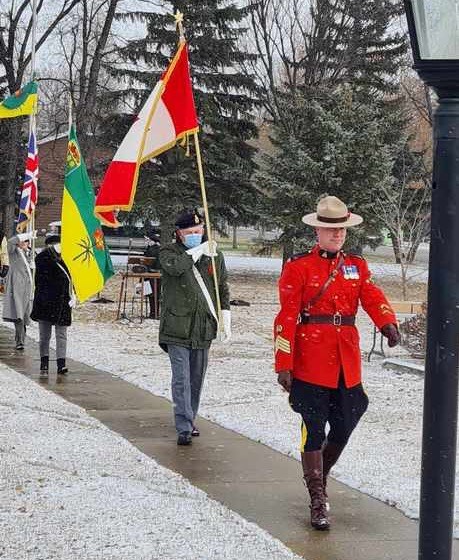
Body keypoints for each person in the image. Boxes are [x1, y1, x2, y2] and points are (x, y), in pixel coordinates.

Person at [274, 196, 400, 531]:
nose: (337, 235)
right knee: (313, 428)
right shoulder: (298, 266)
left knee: (347, 420)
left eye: (342, 229)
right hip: (311, 360)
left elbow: (370, 294)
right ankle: (318, 497)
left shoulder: (356, 265)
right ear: (317, 230)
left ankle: (318, 473)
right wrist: (283, 363)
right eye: (330, 229)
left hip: (346, 360)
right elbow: (286, 317)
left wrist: (387, 321)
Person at [159, 210, 231, 446]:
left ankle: (190, 419)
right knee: (181, 378)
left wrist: (225, 316)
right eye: (189, 233)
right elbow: (175, 268)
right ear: (178, 234)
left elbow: (221, 287)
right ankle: (183, 427)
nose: (194, 236)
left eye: (198, 232)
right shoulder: (168, 251)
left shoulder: (214, 255)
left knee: (196, 378)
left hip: (203, 327)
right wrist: (198, 250)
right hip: (176, 327)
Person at [31, 234, 75, 376]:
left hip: (63, 302)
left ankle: (61, 364)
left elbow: (71, 279)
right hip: (45, 302)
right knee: (45, 336)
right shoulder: (42, 259)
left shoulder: (67, 259)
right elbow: (41, 281)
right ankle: (44, 362)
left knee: (61, 335)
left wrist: (73, 294)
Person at [2, 232, 35, 350]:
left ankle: (20, 339)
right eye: (23, 241)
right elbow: (10, 242)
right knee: (19, 315)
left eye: (27, 242)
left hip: (28, 289)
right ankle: (20, 341)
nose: (25, 243)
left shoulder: (29, 254)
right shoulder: (13, 252)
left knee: (25, 316)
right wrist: (24, 236)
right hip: (17, 288)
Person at [144, 233, 161, 319]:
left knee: (152, 295)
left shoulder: (151, 249)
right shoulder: (160, 249)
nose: (147, 242)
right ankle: (156, 312)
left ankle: (153, 313)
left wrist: (147, 248)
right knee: (157, 295)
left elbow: (147, 261)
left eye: (148, 240)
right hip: (159, 275)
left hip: (151, 275)